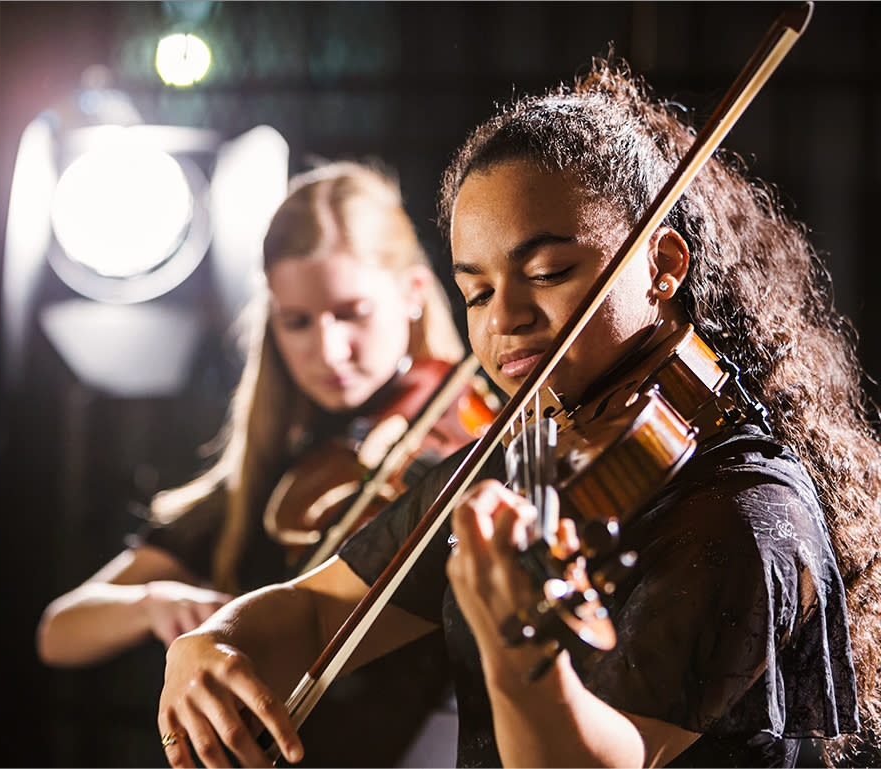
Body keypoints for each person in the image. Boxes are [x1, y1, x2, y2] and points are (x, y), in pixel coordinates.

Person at [155, 58, 881, 769]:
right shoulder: (524, 457)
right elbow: (317, 608)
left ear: (662, 264)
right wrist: (213, 641)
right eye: (475, 291)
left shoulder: (742, 515)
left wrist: (518, 649)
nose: (506, 317)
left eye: (547, 273)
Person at [36, 160, 476, 766]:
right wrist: (153, 604)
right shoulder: (267, 481)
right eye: (297, 322)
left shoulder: (473, 439)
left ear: (413, 296)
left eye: (351, 312)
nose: (327, 349)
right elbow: (60, 630)